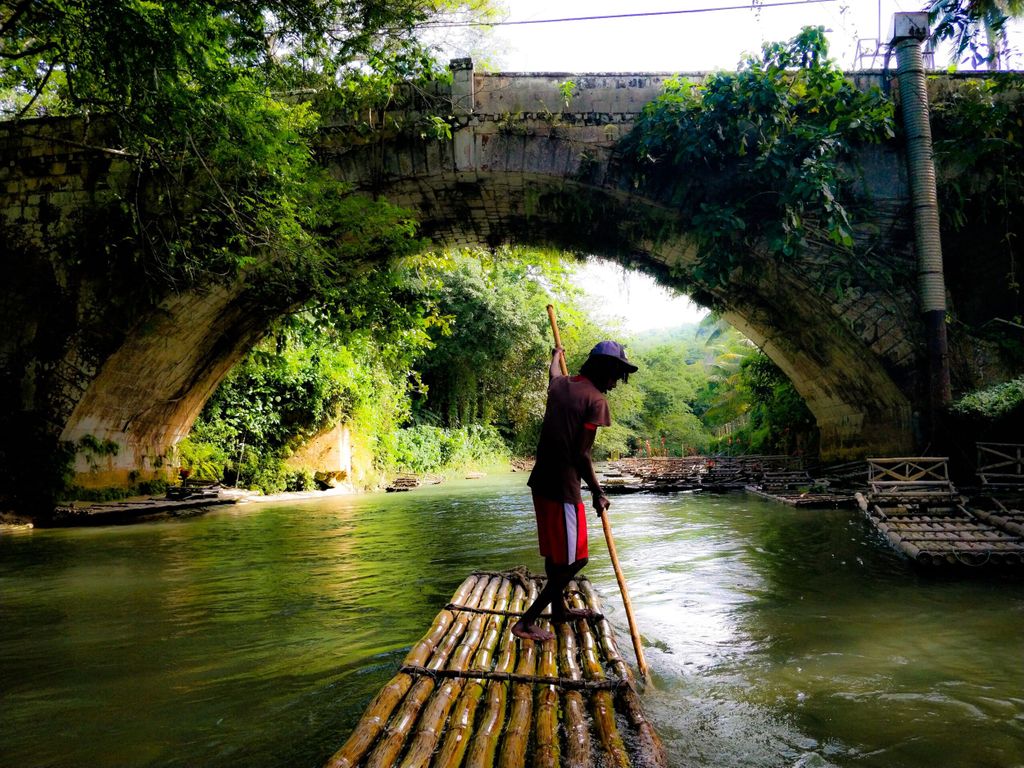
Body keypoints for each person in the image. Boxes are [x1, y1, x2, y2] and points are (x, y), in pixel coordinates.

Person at [511, 340, 638, 642]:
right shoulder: (596, 401)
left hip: (540, 482)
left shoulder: (562, 385)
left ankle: (558, 611)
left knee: (557, 555)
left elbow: (553, 374)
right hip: (562, 488)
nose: (615, 384)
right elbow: (582, 455)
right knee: (576, 560)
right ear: (605, 371)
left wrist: (556, 355)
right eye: (615, 375)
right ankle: (526, 622)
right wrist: (597, 491)